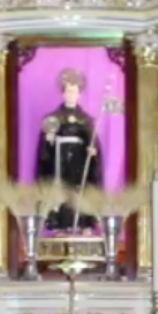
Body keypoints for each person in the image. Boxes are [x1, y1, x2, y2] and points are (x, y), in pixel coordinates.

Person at [35, 68, 101, 230]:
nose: (71, 95)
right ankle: (59, 222)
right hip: (59, 161)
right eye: (68, 91)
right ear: (63, 93)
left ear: (79, 94)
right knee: (59, 190)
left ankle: (81, 223)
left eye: (74, 92)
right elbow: (44, 149)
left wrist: (93, 152)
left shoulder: (86, 120)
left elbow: (92, 142)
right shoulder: (53, 118)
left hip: (79, 164)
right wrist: (48, 141)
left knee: (78, 191)